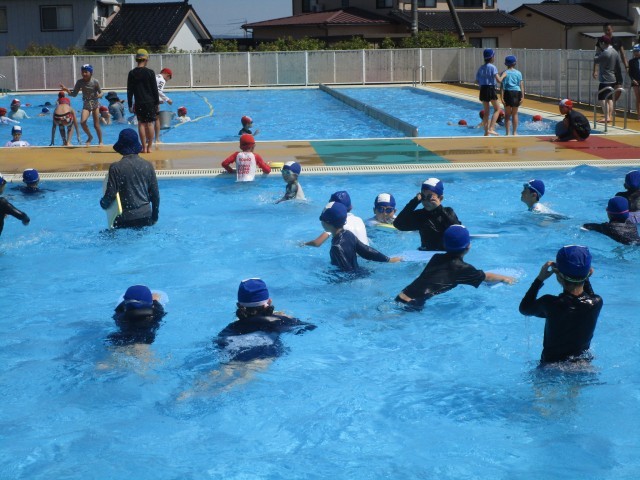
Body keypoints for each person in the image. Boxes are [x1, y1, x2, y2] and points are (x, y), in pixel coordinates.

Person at [395, 225, 514, 309]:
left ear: (444, 244)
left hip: (401, 295)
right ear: (468, 246)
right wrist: (505, 278)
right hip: (413, 303)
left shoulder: (436, 257)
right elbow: (486, 277)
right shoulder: (462, 269)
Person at [519, 245, 602, 365]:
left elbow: (524, 309)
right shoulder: (596, 302)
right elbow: (589, 296)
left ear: (558, 275)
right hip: (583, 365)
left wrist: (539, 279)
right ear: (589, 272)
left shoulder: (549, 303)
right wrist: (584, 275)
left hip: (551, 367)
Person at [215, 278, 316, 363]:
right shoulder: (279, 321)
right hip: (264, 354)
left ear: (238, 305)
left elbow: (219, 343)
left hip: (232, 351)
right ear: (269, 301)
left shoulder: (230, 328)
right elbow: (309, 327)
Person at [100, 128, 160, 229]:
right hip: (146, 216)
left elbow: (111, 194)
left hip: (125, 218)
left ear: (121, 147)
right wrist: (154, 217)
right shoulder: (148, 165)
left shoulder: (116, 168)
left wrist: (103, 203)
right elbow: (155, 195)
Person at [319, 201, 400, 272]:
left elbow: (347, 271)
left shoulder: (336, 247)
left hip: (352, 279)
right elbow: (367, 251)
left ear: (327, 223)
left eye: (321, 219)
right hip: (361, 271)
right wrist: (388, 260)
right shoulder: (349, 234)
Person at [393, 178, 460, 251]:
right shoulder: (420, 215)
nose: (426, 201)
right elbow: (398, 224)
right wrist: (414, 201)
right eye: (423, 197)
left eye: (430, 197)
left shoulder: (448, 212)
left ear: (440, 198)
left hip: (444, 252)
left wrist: (439, 208)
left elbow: (458, 233)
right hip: (425, 253)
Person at [59, 64, 104, 145]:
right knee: (82, 122)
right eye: (82, 72)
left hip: (95, 105)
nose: (84, 74)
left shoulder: (95, 82)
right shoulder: (80, 82)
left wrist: (100, 95)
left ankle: (100, 141)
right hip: (86, 105)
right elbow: (74, 94)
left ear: (91, 73)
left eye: (86, 72)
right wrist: (66, 90)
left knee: (96, 125)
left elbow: (101, 92)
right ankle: (90, 136)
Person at [127, 49, 160, 153]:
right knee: (150, 124)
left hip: (139, 102)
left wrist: (130, 104)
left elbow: (129, 90)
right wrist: (157, 103)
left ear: (136, 59)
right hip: (150, 102)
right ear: (146, 59)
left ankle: (144, 147)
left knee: (141, 124)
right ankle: (149, 147)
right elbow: (155, 89)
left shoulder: (132, 73)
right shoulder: (150, 72)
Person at [593, 35, 624, 124]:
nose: (600, 45)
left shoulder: (606, 52)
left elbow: (596, 60)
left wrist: (598, 52)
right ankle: (609, 115)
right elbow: (617, 64)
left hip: (605, 79)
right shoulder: (614, 51)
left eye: (600, 43)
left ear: (603, 43)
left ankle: (606, 117)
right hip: (613, 77)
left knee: (602, 98)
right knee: (609, 98)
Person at [596, 23, 629, 101]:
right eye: (605, 30)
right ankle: (609, 104)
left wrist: (626, 66)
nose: (607, 32)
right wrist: (595, 70)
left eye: (608, 30)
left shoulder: (618, 40)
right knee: (607, 89)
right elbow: (597, 55)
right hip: (606, 70)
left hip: (616, 68)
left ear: (612, 30)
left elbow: (623, 54)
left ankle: (612, 103)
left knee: (619, 88)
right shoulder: (601, 40)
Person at [475, 48, 502, 136]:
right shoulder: (493, 67)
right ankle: (491, 128)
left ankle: (486, 132)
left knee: (486, 112)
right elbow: (498, 80)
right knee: (497, 109)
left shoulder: (481, 68)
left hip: (483, 89)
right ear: (492, 57)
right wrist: (503, 76)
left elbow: (477, 81)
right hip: (490, 89)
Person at [499, 55, 524, 136]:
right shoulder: (519, 73)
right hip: (517, 92)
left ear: (506, 64)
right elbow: (521, 85)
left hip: (507, 93)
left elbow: (502, 86)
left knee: (507, 114)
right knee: (515, 114)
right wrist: (523, 96)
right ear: (515, 63)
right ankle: (515, 132)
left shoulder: (504, 73)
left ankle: (507, 133)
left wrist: (501, 97)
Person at [155, 68, 173, 143]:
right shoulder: (162, 80)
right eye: (169, 78)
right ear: (167, 75)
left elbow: (153, 90)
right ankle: (157, 139)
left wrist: (159, 99)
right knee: (156, 119)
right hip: (152, 102)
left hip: (144, 99)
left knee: (146, 121)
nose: (167, 80)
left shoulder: (155, 76)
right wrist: (167, 99)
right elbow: (158, 90)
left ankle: (147, 139)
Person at [628, 45, 640, 120]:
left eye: (637, 51)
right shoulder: (631, 61)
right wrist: (633, 80)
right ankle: (639, 114)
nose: (635, 53)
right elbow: (630, 72)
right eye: (634, 51)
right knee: (638, 98)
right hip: (635, 81)